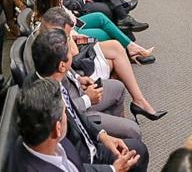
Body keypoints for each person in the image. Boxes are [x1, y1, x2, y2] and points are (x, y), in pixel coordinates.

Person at [31, 29, 149, 170]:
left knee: (139, 150)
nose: (73, 53)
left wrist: (102, 135)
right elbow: (66, 165)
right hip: (82, 158)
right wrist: (113, 170)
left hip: (89, 143)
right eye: (69, 51)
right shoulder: (45, 102)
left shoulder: (53, 79)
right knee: (138, 151)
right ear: (62, 65)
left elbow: (75, 113)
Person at [10, 78, 139, 172]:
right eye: (64, 113)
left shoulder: (36, 137)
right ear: (57, 129)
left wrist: (113, 169)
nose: (68, 116)